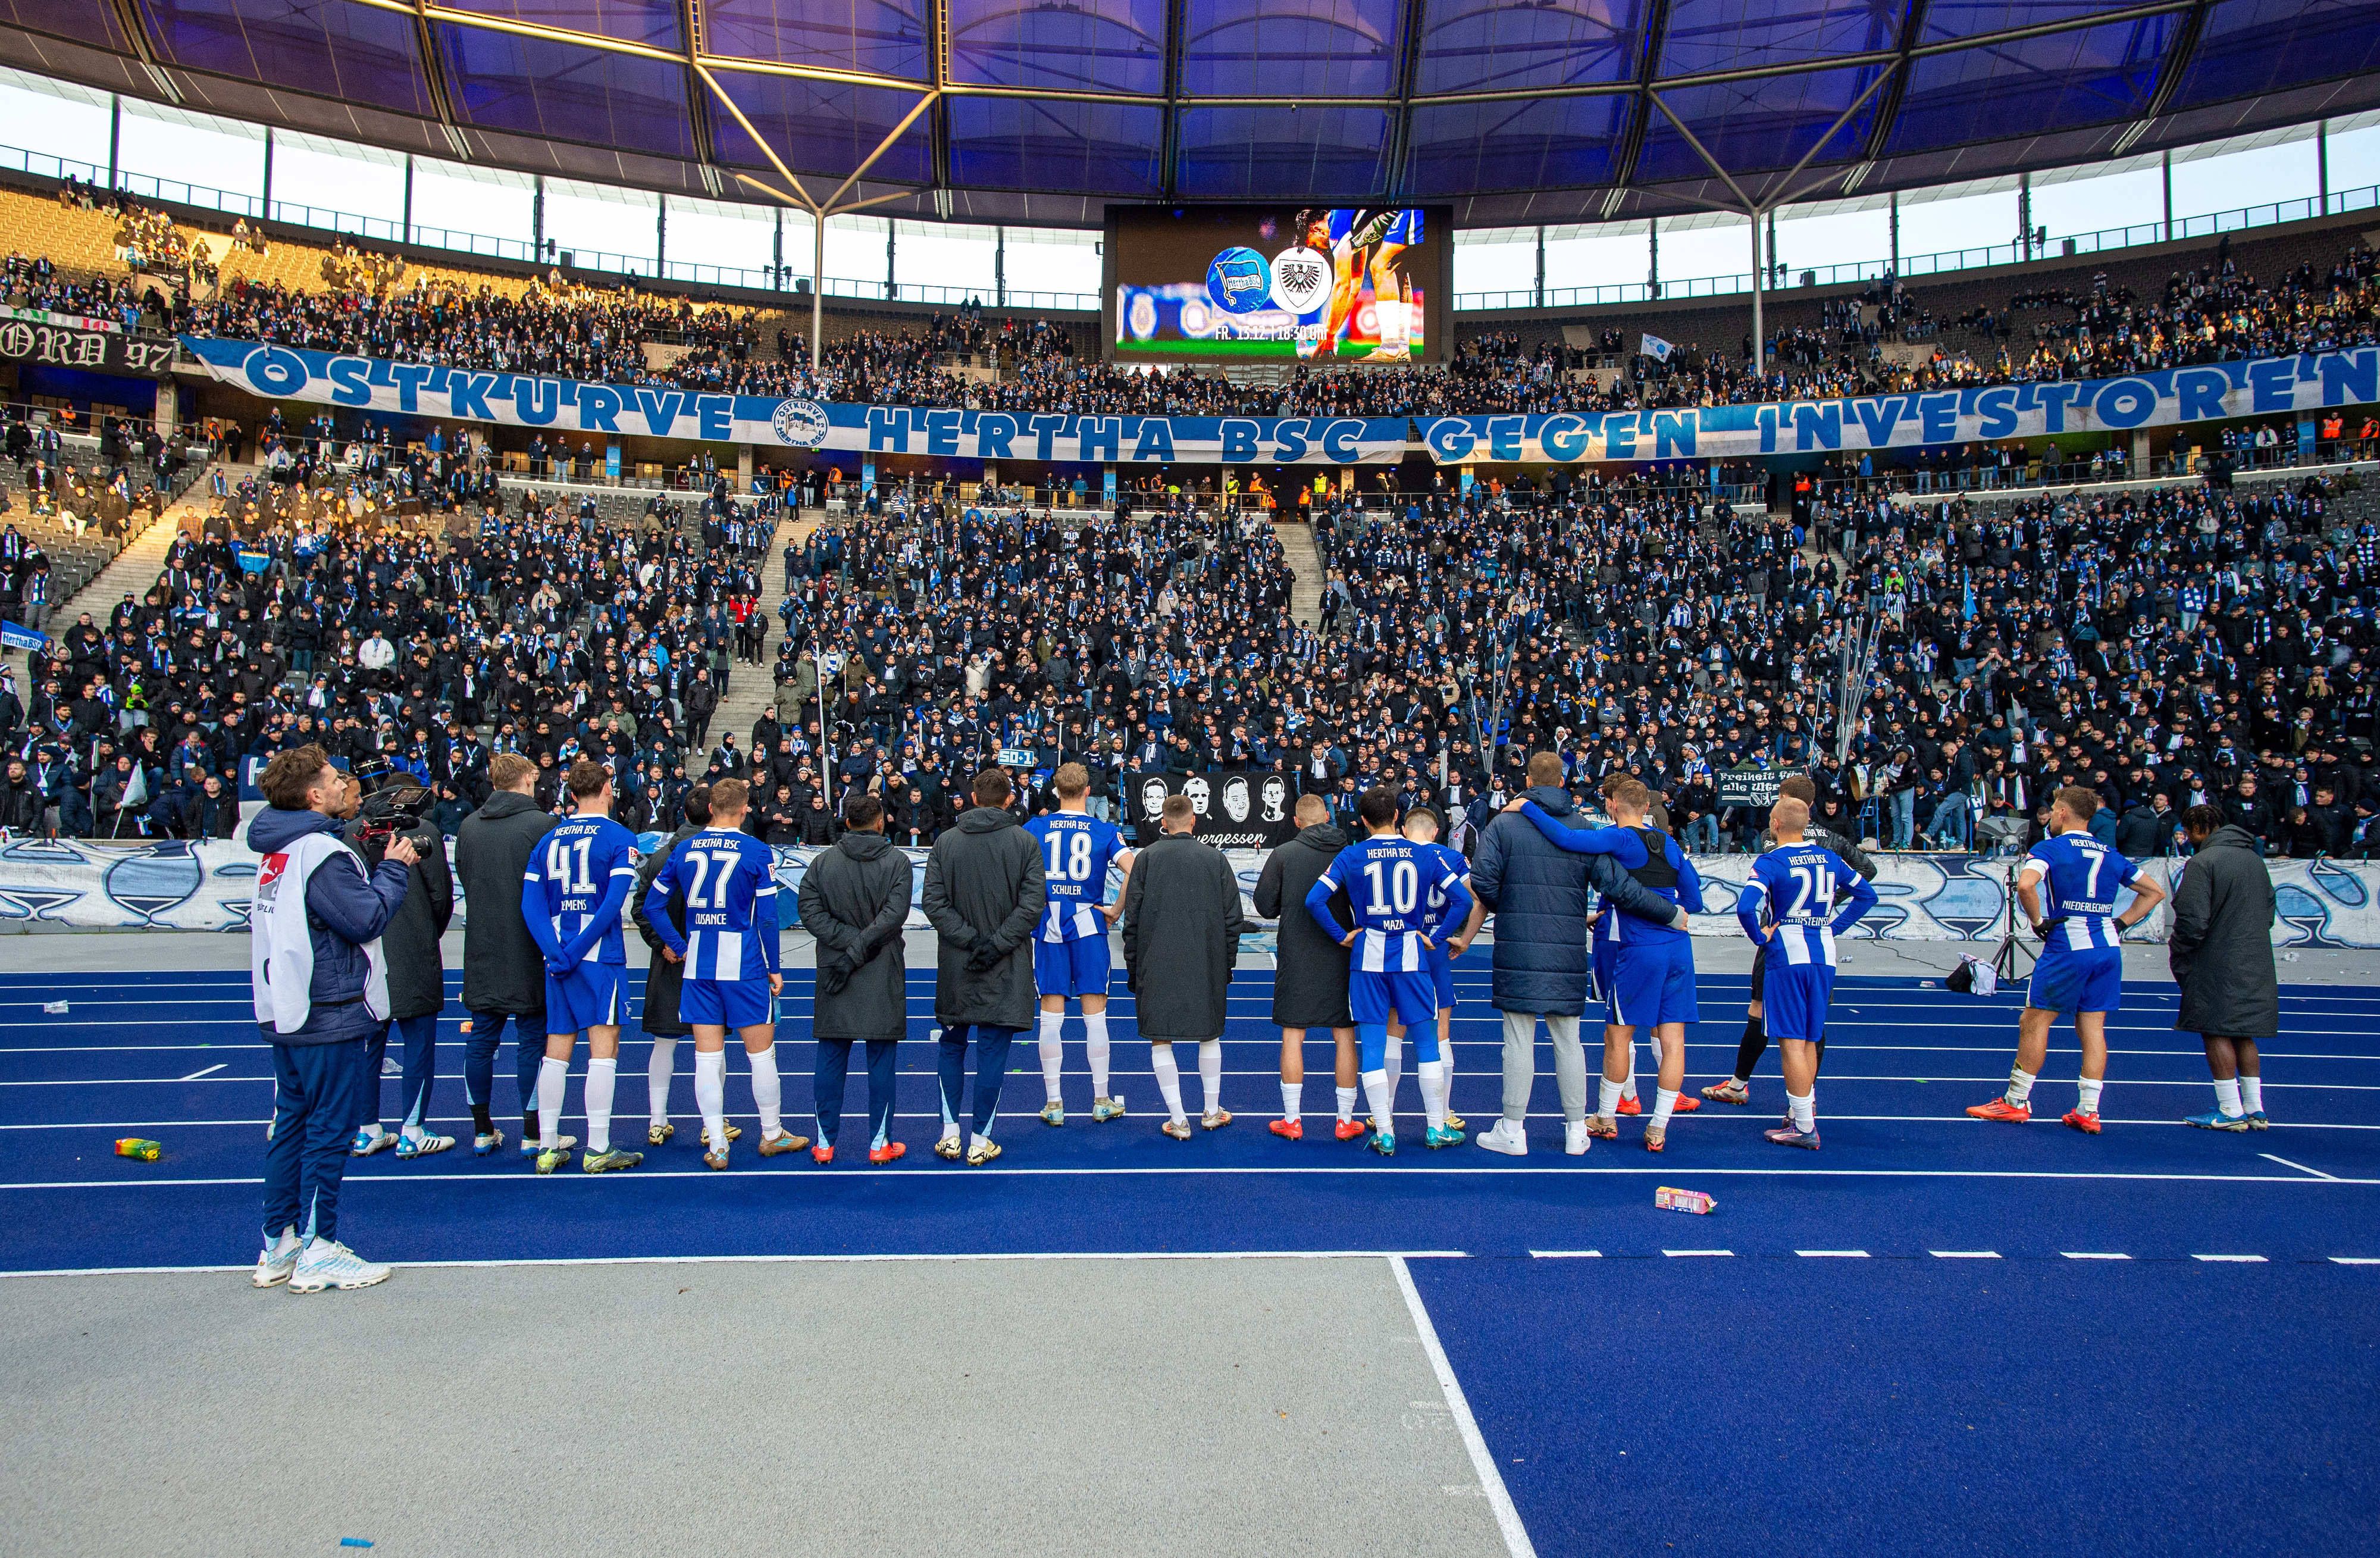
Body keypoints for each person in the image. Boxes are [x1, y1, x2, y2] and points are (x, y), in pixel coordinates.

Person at [248, 744, 417, 1294]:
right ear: (314, 795)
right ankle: (319, 1248)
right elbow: (364, 918)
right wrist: (394, 869)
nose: (348, 785)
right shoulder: (317, 851)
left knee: (291, 1125)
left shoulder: (280, 847)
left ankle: (280, 1243)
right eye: (335, 778)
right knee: (327, 1131)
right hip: (328, 1010)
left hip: (289, 1003)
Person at [1467, 752, 1686, 1156]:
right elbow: (1620, 886)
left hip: (1518, 943)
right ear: (1564, 782)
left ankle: (1513, 1130)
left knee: (1518, 1041)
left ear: (1529, 780)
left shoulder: (1505, 824)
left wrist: (1512, 905)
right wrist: (1670, 913)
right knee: (1569, 1041)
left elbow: (1481, 880)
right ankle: (1575, 1132)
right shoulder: (1584, 826)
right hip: (1567, 945)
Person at [1968, 785, 2168, 1134]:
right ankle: (2088, 1109)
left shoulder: (2050, 847)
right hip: (2106, 943)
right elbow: (2155, 892)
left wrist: (2037, 922)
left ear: (2061, 812)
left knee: (2035, 1021)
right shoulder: (2109, 852)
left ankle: (2016, 1101)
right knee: (2092, 1027)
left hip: (2067, 943)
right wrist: (2121, 923)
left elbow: (2027, 886)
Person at [641, 778, 807, 1168]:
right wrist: (775, 967)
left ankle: (717, 1142)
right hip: (744, 962)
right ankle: (771, 1133)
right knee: (761, 1054)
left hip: (699, 963)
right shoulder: (755, 850)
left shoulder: (683, 849)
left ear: (711, 807)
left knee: (706, 1057)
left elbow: (651, 907)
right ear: (745, 808)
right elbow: (767, 917)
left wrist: (680, 947)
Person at [1304, 786, 1474, 1155]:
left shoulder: (1352, 855)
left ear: (1363, 820)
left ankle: (1384, 1131)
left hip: (1368, 958)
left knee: (1375, 1047)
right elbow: (1462, 899)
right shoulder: (1422, 853)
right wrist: (1438, 936)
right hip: (1412, 956)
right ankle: (1435, 1127)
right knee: (1428, 1043)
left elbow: (1314, 899)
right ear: (1397, 816)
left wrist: (1342, 936)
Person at [1704, 772, 1878, 1108]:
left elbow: (1753, 899)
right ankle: (1806, 1099)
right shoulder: (1831, 843)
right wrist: (1830, 907)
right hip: (1819, 940)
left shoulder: (1777, 843)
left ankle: (1746, 1086)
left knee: (1766, 1015)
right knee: (1814, 1024)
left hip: (1781, 938)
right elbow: (1867, 871)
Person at [519, 759, 644, 1174]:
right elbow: (612, 905)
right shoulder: (620, 837)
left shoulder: (548, 840)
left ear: (571, 794)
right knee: (603, 1051)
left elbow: (530, 904)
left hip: (556, 956)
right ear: (608, 788)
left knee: (556, 1051)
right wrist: (576, 950)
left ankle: (548, 1146)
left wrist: (555, 951)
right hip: (597, 956)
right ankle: (598, 1146)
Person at [1734, 796, 1878, 1150]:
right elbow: (1867, 895)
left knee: (1791, 1042)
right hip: (1824, 952)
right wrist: (1835, 926)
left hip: (1788, 953)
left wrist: (1760, 936)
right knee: (1812, 1037)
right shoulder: (1830, 857)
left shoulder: (1771, 861)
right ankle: (1804, 1110)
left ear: (1776, 823)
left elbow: (1745, 905)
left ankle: (1803, 1124)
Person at [921, 766, 1046, 1165]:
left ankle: (949, 1135)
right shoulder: (1025, 842)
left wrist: (970, 940)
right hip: (1004, 966)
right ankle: (979, 1139)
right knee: (992, 1051)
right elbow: (1032, 906)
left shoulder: (945, 843)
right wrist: (994, 944)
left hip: (959, 965)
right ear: (1009, 799)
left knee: (952, 1045)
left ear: (973, 797)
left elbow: (934, 904)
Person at [1120, 793, 1247, 1138]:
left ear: (1164, 823)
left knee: (1160, 1038)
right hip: (1207, 962)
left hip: (1155, 962)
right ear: (1194, 821)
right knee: (1209, 1034)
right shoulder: (1215, 859)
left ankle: (1178, 1119)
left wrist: (1134, 968)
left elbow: (1131, 921)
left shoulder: (1146, 859)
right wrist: (1227, 965)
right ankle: (1210, 1110)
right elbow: (1233, 919)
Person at [797, 789, 912, 1163]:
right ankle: (879, 1143)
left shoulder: (822, 863)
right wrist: (860, 945)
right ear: (880, 823)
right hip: (880, 964)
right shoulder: (897, 862)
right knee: (881, 1059)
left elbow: (810, 913)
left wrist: (847, 948)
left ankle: (825, 1142)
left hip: (836, 968)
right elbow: (893, 917)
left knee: (831, 1055)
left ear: (847, 822)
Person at [346, 767, 455, 1160]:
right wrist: (427, 931)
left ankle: (366, 1128)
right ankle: (411, 1129)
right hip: (412, 947)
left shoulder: (351, 833)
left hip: (367, 951)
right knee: (419, 1046)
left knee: (368, 1045)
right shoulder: (422, 833)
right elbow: (441, 896)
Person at [454, 753, 558, 1157]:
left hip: (481, 944)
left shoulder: (468, 826)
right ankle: (532, 1133)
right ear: (527, 780)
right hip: (529, 945)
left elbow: (464, 875)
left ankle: (482, 1130)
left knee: (482, 1038)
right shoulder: (541, 824)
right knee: (533, 1038)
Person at [1022, 762, 1135, 1125]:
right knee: (1095, 1016)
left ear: (1056, 791)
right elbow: (1134, 868)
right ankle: (1100, 1098)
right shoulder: (1104, 830)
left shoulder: (1034, 828)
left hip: (1048, 926)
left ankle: (1054, 1102)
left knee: (1051, 1016)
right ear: (1088, 792)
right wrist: (1116, 909)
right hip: (1088, 925)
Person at [1252, 793, 1359, 1140]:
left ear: (1297, 821)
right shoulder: (1350, 852)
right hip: (1344, 952)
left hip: (1297, 954)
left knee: (1293, 1035)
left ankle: (1293, 1120)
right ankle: (1344, 1121)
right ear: (1327, 816)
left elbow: (1265, 907)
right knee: (1344, 1035)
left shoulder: (1284, 854)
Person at [632, 784, 734, 1149]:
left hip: (669, 961)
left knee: (664, 1044)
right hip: (711, 959)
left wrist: (664, 945)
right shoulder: (727, 853)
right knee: (713, 1048)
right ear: (712, 810)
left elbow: (641, 908)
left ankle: (657, 1122)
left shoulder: (661, 857)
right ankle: (714, 1123)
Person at [2168, 803, 2279, 1130]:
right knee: (2244, 1032)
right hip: (2256, 956)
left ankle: (2230, 1110)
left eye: (2189, 833)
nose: (2188, 840)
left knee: (2214, 1028)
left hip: (2217, 958)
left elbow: (2192, 920)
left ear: (2199, 829)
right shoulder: (2255, 860)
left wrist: (2182, 955)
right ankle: (2255, 1109)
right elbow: (2270, 910)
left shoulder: (2203, 863)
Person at [1384, 806, 1479, 1133]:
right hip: (1434, 948)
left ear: (1404, 829)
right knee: (1440, 1031)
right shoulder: (1450, 859)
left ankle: (1385, 1112)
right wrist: (1461, 938)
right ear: (1437, 831)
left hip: (1400, 946)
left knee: (1393, 1027)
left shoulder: (1394, 853)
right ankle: (1443, 1111)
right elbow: (1476, 898)